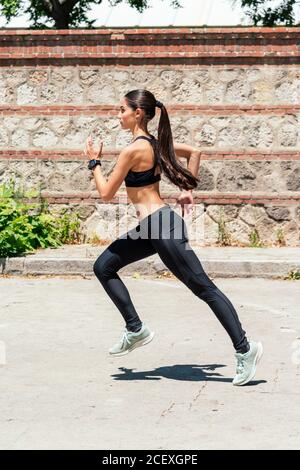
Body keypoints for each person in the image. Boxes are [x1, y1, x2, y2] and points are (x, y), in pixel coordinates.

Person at [85, 89, 263, 386]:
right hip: (152, 228)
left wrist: (95, 163)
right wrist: (187, 190)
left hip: (162, 228)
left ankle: (245, 349)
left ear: (137, 113)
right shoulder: (155, 145)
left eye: (121, 110)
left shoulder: (133, 150)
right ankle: (136, 329)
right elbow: (195, 152)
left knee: (204, 288)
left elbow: (106, 193)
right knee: (103, 266)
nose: (118, 115)